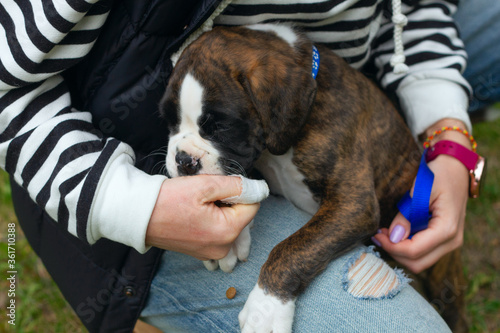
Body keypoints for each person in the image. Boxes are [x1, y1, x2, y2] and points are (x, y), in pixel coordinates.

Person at [0, 0, 496, 332]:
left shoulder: (292, 105)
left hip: (327, 106)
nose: (184, 149)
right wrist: (133, 205)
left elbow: (416, 8)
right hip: (98, 171)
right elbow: (9, 88)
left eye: (212, 126)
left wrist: (448, 132)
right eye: (174, 123)